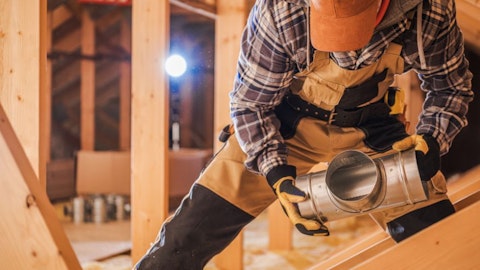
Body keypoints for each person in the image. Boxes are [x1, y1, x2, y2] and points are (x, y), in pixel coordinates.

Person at [134, 0, 473, 268]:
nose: (343, 54)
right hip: (283, 123)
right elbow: (250, 105)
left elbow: (451, 87)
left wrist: (432, 139)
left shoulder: (428, 11)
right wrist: (274, 170)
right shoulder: (279, 11)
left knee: (435, 236)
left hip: (373, 125)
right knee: (186, 235)